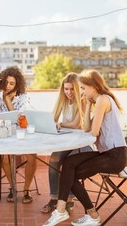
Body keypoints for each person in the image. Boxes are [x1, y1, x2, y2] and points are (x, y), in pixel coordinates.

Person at [43, 69, 127, 226]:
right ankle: (65, 211)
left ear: (93, 87)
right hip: (105, 154)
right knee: (68, 164)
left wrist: (89, 103)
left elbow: (94, 132)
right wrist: (88, 104)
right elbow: (87, 128)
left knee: (70, 174)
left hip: (115, 157)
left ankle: (79, 213)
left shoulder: (103, 99)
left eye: (82, 88)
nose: (80, 91)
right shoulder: (98, 101)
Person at [42, 72, 86, 214]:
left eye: (72, 89)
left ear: (78, 88)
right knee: (53, 159)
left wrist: (61, 124)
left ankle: (70, 199)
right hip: (66, 141)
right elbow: (53, 119)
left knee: (68, 163)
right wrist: (50, 124)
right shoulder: (63, 100)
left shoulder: (83, 100)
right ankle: (54, 197)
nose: (69, 92)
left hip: (82, 143)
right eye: (66, 89)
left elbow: (75, 124)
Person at [0, 66, 37, 204]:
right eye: (6, 82)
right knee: (5, 159)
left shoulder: (24, 97)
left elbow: (19, 120)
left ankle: (26, 189)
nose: (8, 86)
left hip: (23, 132)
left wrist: (7, 101)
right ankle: (13, 187)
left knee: (32, 156)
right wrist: (4, 99)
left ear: (17, 84)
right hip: (6, 134)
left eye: (12, 83)